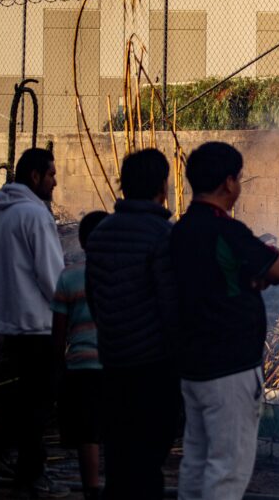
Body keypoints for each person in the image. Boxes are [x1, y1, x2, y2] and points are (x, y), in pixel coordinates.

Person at [169, 142, 279, 500]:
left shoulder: (181, 230)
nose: (239, 186)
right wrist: (258, 278)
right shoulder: (227, 231)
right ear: (228, 183)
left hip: (193, 366)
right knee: (228, 470)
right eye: (238, 179)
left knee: (196, 461)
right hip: (230, 367)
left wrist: (247, 279)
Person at [84, 148, 180, 500]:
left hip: (112, 362)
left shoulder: (100, 234)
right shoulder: (163, 235)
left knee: (121, 458)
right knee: (149, 462)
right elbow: (171, 306)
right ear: (161, 186)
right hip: (154, 368)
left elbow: (94, 298)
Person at [0, 147, 69, 498]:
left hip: (8, 318)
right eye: (50, 174)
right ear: (34, 176)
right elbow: (53, 277)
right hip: (36, 323)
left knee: (23, 393)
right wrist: (69, 311)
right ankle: (31, 473)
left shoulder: (0, 211)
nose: (54, 181)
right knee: (38, 401)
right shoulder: (35, 215)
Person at [51, 210, 109, 500]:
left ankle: (91, 490)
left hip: (81, 366)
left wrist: (60, 368)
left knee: (88, 432)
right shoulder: (119, 277)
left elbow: (58, 332)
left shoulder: (69, 277)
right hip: (115, 365)